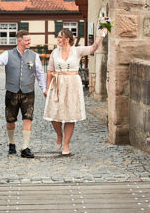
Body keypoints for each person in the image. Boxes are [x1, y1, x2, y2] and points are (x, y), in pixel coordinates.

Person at [0, 30, 46, 158]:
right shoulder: (8, 54)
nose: (29, 42)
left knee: (28, 118)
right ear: (19, 40)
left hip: (28, 92)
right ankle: (11, 143)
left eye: (29, 40)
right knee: (10, 120)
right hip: (12, 92)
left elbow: (39, 74)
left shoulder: (34, 56)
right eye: (27, 40)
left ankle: (25, 147)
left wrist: (44, 89)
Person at [43, 27, 107, 155]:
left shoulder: (77, 51)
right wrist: (47, 87)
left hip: (72, 84)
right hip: (58, 84)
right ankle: (59, 135)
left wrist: (102, 34)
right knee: (53, 114)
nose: (58, 39)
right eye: (58, 37)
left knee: (70, 115)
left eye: (60, 37)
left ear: (67, 39)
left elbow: (93, 48)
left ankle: (66, 145)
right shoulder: (55, 53)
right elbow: (50, 70)